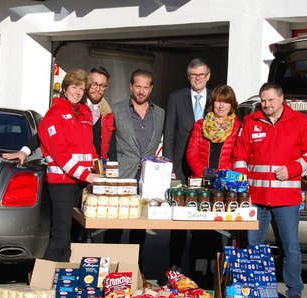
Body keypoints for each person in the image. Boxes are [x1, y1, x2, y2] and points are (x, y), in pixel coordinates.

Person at [233, 82, 307, 298]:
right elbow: (239, 155)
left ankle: (294, 294)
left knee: (290, 247)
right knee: (253, 246)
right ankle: (252, 291)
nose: (266, 105)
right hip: (256, 197)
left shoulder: (299, 121)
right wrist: (243, 189)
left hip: (287, 199)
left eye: (270, 100)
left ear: (282, 99)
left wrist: (292, 170)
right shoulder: (250, 122)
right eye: (263, 100)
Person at [38, 68, 101, 261]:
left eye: (82, 88)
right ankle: (42, 282)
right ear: (65, 88)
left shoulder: (85, 113)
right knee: (60, 236)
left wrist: (99, 170)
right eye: (74, 87)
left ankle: (64, 281)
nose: (78, 92)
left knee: (75, 237)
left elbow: (89, 148)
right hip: (62, 184)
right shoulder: (53, 115)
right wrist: (88, 175)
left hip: (82, 184)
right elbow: (61, 155)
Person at [185, 84, 242, 287]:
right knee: (199, 231)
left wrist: (223, 178)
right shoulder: (200, 125)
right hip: (202, 184)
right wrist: (206, 175)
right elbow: (191, 153)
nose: (221, 105)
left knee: (221, 232)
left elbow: (238, 157)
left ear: (231, 105)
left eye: (226, 102)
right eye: (218, 100)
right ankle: (195, 277)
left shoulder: (237, 128)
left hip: (225, 186)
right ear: (213, 102)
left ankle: (216, 277)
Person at [2, 66, 116, 164]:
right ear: (87, 84)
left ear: (106, 88)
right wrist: (24, 151)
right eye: (94, 84)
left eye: (102, 86)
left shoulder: (108, 114)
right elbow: (45, 131)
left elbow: (111, 147)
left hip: (95, 171)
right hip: (71, 171)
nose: (98, 89)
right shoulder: (69, 106)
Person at [110, 69, 165, 265]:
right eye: (138, 87)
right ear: (131, 86)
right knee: (116, 224)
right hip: (122, 175)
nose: (141, 91)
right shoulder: (116, 110)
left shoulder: (160, 114)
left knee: (140, 224)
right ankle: (113, 265)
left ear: (151, 89)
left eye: (145, 87)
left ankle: (134, 266)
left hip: (148, 178)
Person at [163, 58, 212, 272]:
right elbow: (170, 134)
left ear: (208, 76)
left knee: (203, 218)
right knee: (179, 219)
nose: (198, 78)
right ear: (188, 76)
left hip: (206, 166)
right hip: (181, 167)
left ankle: (198, 270)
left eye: (201, 75)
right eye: (194, 75)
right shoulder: (176, 97)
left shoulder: (216, 98)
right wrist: (169, 167)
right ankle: (174, 266)